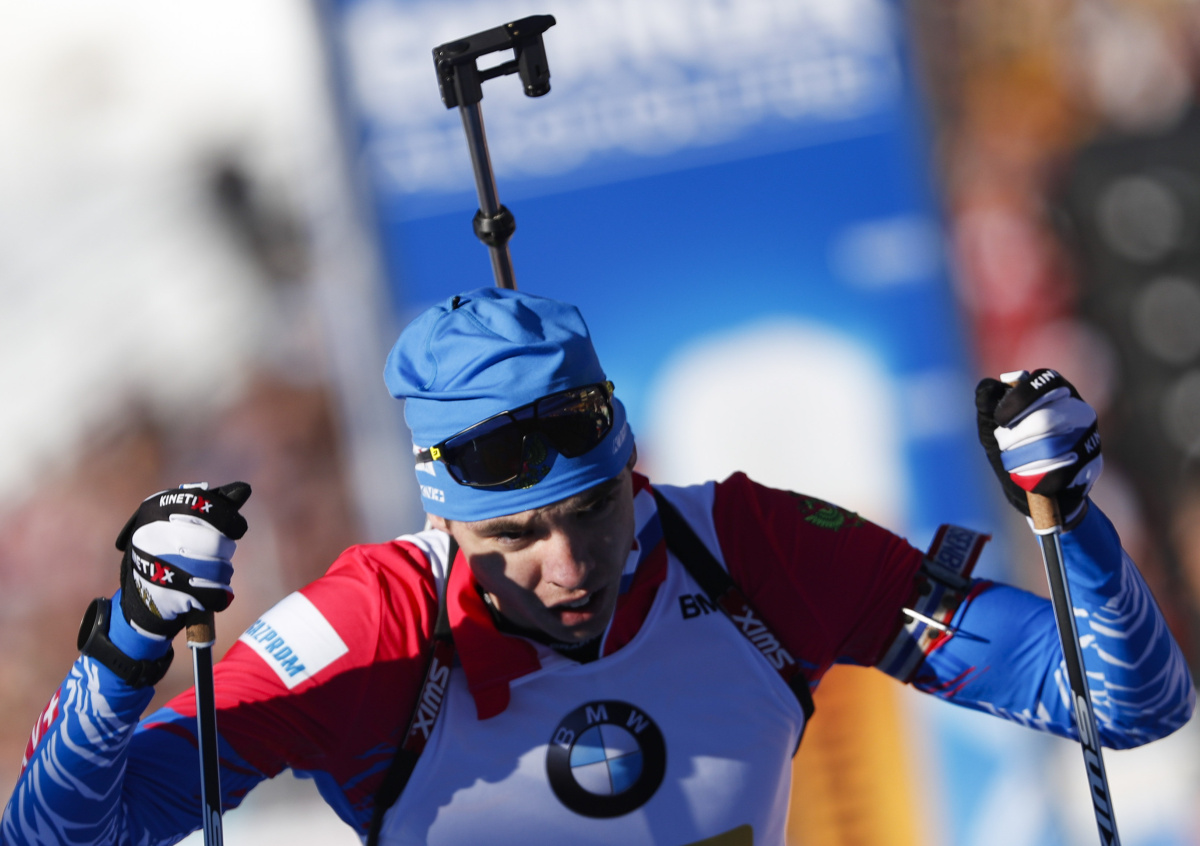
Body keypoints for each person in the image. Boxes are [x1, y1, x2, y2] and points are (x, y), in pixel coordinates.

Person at [3, 287, 1193, 846]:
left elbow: (1127, 703)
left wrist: (1068, 516)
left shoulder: (751, 548)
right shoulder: (370, 631)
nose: (570, 565)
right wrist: (132, 639)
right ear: (445, 525)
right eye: (513, 539)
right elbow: (57, 840)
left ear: (635, 468)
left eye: (594, 512)